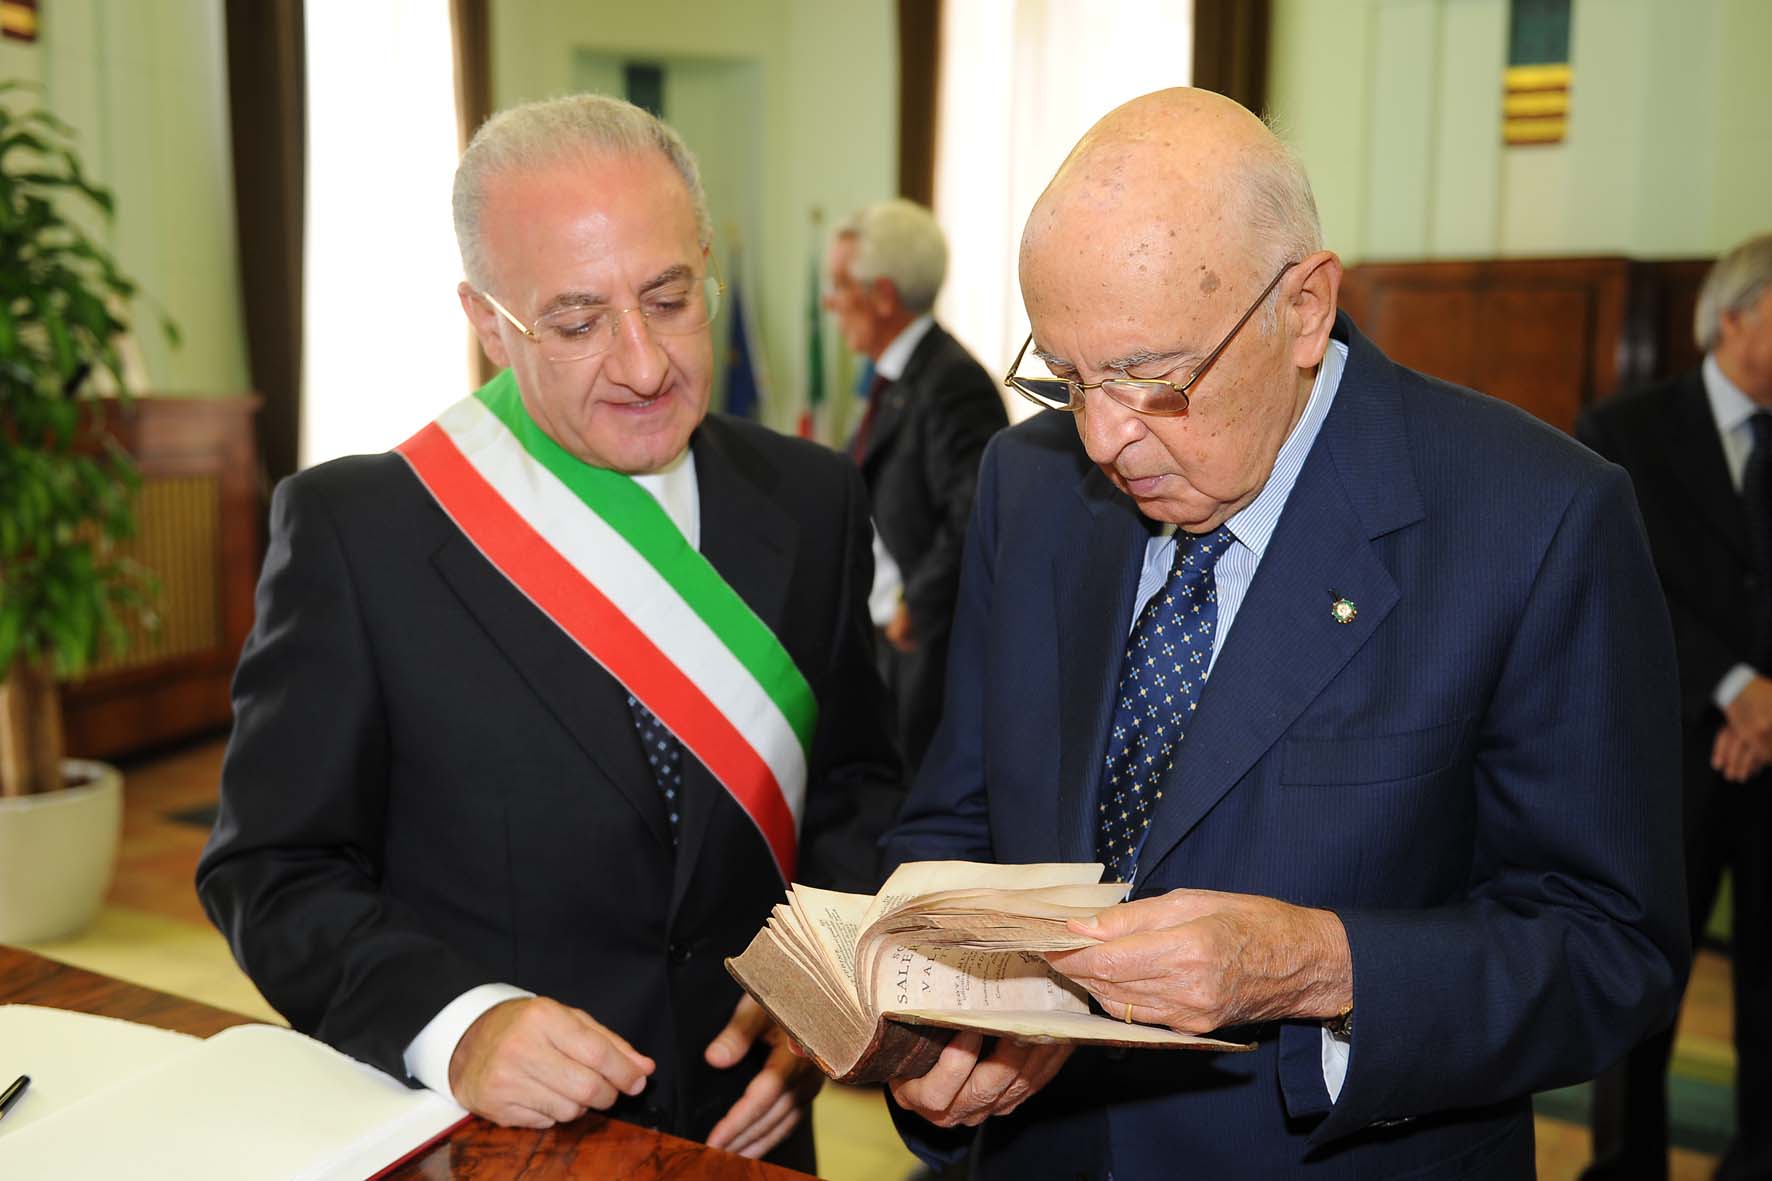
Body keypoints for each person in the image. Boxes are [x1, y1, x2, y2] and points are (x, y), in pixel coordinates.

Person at [879, 87, 1687, 1179]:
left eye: (1151, 377)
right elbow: (956, 815)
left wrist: (1318, 965)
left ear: (1303, 308)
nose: (1107, 437)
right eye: (1066, 378)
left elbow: (1609, 950)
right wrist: (932, 1021)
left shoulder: (1532, 519)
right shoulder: (1029, 486)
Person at [196, 94, 901, 1172]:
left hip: (749, 1131)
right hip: (489, 1137)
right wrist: (459, 1022)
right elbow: (274, 867)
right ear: (486, 320)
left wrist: (821, 982)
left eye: (670, 298)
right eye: (575, 322)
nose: (643, 363)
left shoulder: (810, 500)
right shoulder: (361, 533)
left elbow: (854, 784)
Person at [1577, 232, 1772, 1181]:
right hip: (1672, 752)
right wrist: (1736, 691)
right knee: (1642, 982)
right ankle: (1627, 1163)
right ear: (1735, 315)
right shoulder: (1626, 430)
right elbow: (1625, 587)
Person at [825, 199, 1008, 774]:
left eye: (839, 286)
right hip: (891, 637)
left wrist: (914, 606)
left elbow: (974, 510)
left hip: (930, 644)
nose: (830, 304)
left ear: (881, 296)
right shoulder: (897, 377)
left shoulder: (952, 382)